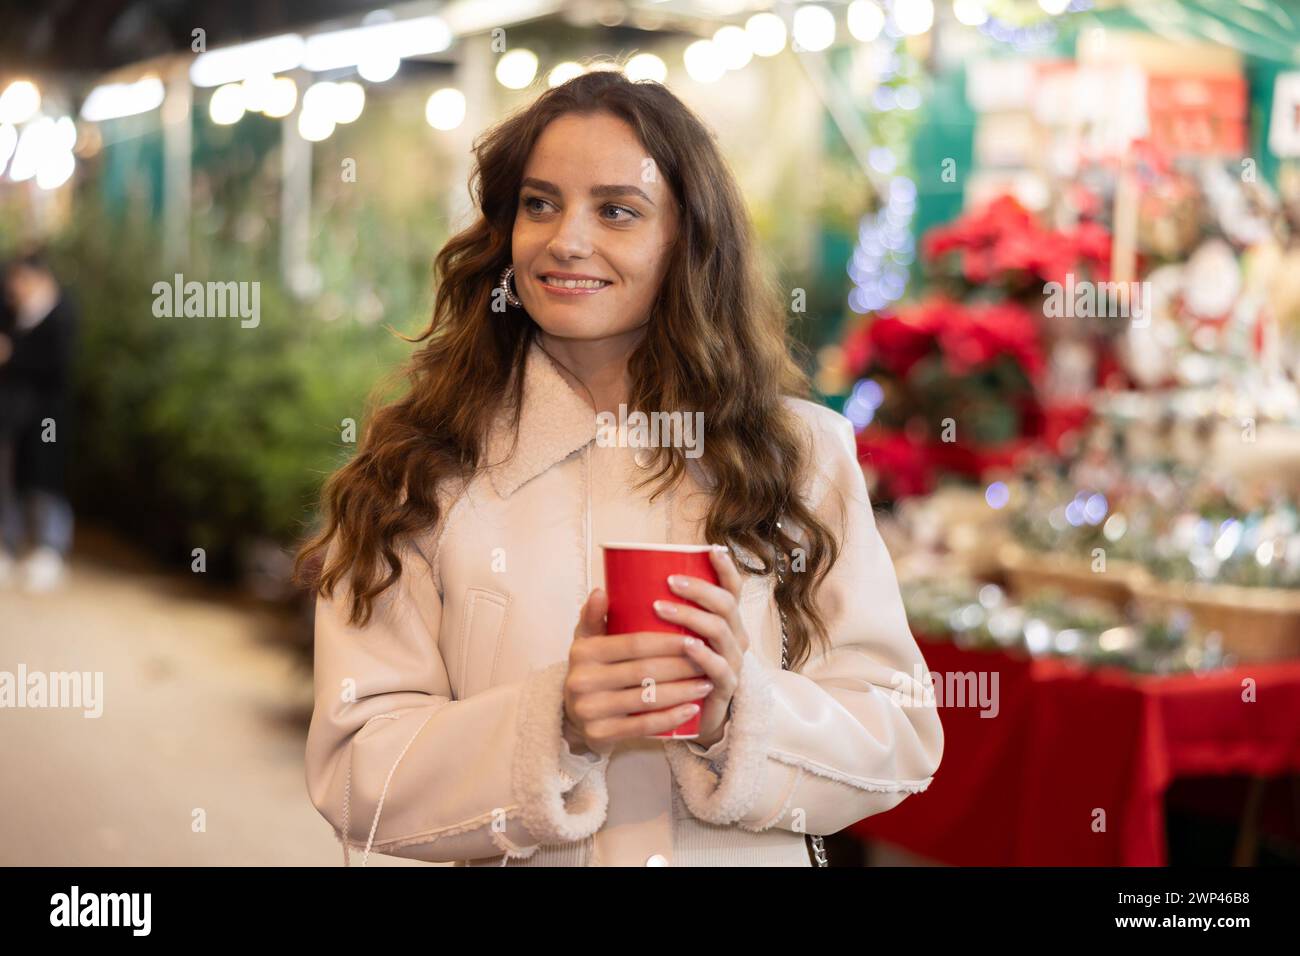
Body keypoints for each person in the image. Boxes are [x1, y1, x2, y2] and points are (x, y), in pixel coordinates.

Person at [297, 70, 943, 867]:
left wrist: (736, 715)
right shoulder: (420, 467)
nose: (566, 239)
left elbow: (901, 731)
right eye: (539, 203)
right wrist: (555, 723)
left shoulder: (801, 455)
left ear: (688, 240)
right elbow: (357, 772)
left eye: (616, 210)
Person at [0, 249, 77, 592]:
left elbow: (57, 364)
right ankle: (10, 545)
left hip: (48, 418)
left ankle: (50, 547)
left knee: (45, 482)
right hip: (15, 415)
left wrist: (12, 355)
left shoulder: (62, 313)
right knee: (13, 478)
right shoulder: (15, 313)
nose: (13, 287)